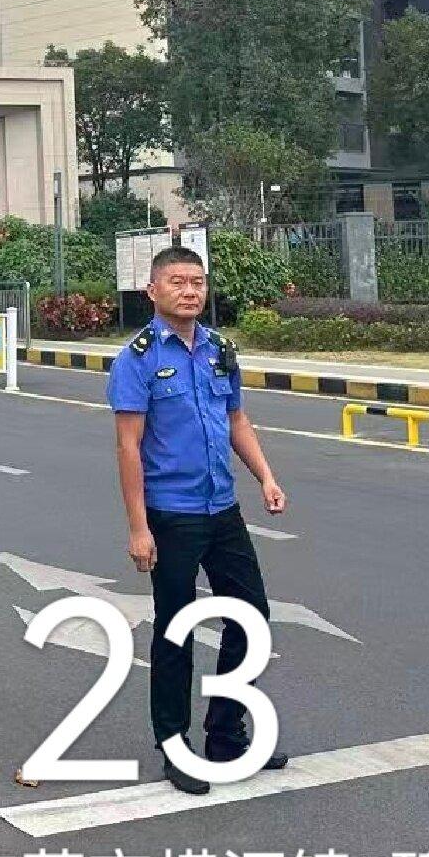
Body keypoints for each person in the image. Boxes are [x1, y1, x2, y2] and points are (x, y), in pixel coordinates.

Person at [106, 244, 291, 793]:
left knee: (251, 617)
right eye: (178, 282)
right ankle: (174, 746)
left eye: (197, 282)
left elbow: (237, 420)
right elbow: (128, 446)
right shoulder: (137, 360)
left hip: (222, 508)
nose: (190, 291)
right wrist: (139, 528)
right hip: (172, 514)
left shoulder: (219, 350)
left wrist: (266, 477)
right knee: (175, 630)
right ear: (153, 291)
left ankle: (226, 736)